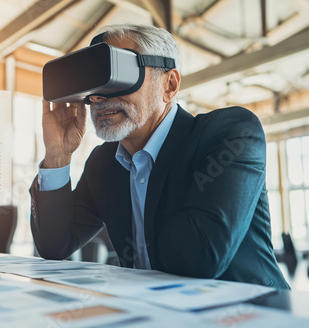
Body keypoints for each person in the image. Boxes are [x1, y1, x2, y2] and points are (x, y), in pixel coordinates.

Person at [29, 23, 289, 289]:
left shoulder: (229, 135)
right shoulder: (103, 163)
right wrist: (57, 156)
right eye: (94, 83)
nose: (98, 97)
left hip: (253, 315)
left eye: (116, 74)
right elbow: (54, 245)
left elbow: (200, 258)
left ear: (170, 85)